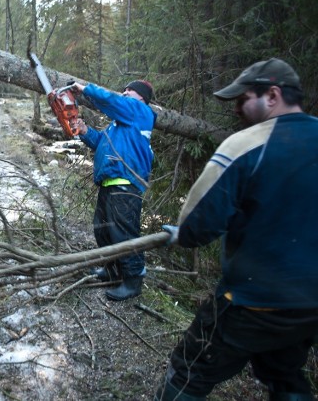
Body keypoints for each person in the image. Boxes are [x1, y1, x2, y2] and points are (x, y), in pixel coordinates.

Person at [155, 58, 318, 400]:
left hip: (250, 300)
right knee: (284, 375)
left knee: (190, 369)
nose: (237, 110)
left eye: (243, 99)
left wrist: (180, 234)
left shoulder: (245, 145)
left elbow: (198, 225)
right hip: (308, 306)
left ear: (272, 95)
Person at [69, 79, 156, 301]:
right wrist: (85, 130)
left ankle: (133, 280)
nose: (125, 91)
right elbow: (101, 142)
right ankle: (111, 270)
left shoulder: (141, 112)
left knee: (124, 234)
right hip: (109, 184)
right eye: (124, 88)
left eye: (130, 90)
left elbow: (112, 100)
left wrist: (85, 89)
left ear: (141, 97)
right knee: (103, 230)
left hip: (125, 185)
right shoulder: (118, 124)